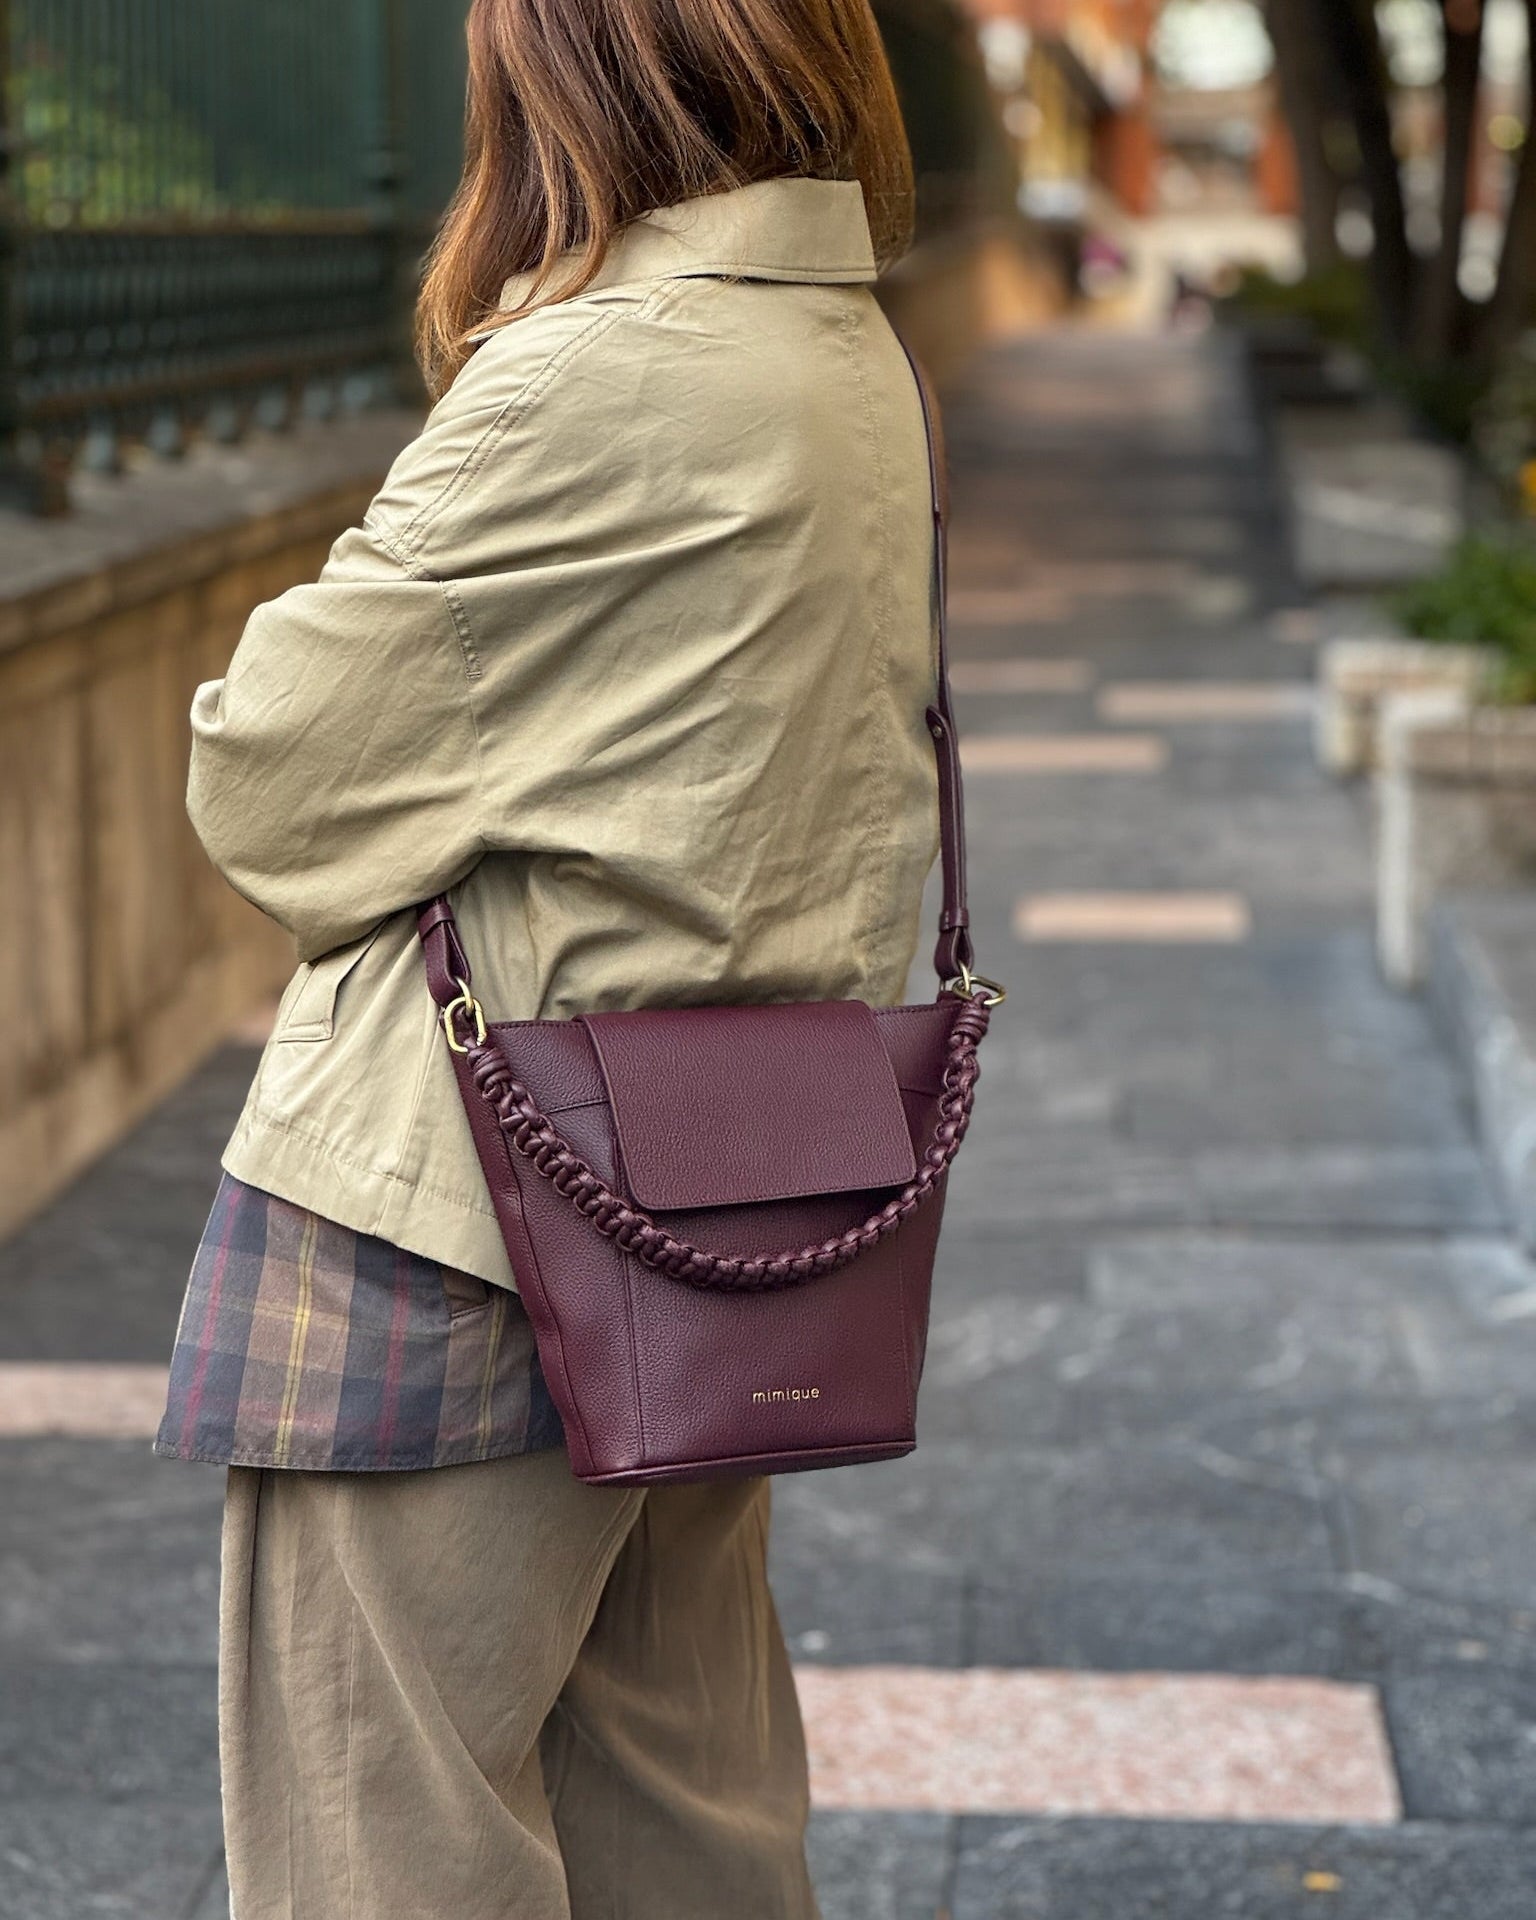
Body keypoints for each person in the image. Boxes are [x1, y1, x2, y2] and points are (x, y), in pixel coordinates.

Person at [155, 0, 940, 1909]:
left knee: (381, 1835)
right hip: (730, 1186)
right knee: (686, 1819)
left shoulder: (593, 376)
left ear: (583, 68)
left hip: (471, 1206)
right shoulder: (844, 354)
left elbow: (268, 782)